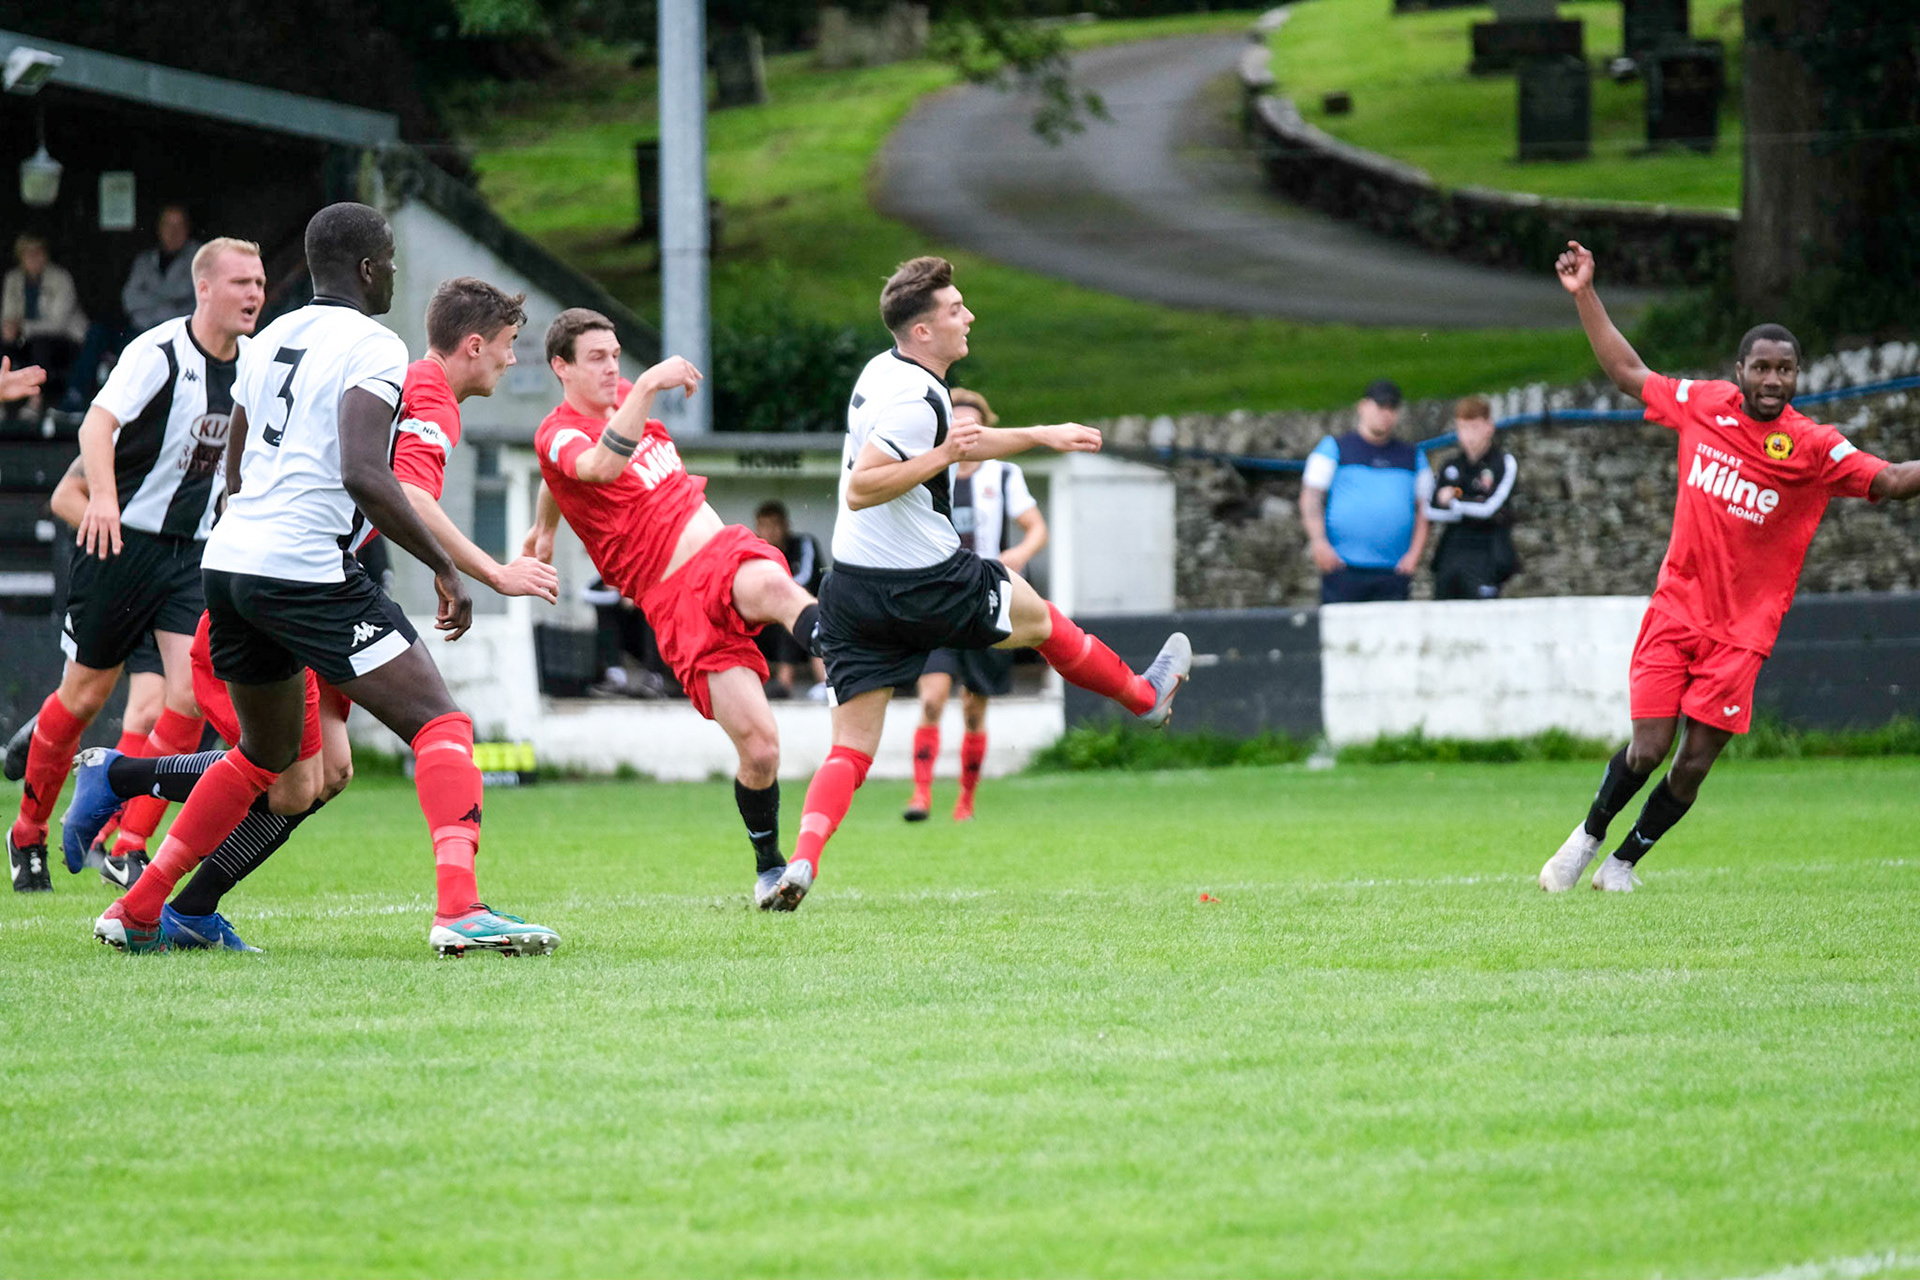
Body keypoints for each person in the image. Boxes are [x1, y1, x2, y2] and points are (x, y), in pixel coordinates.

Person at [90, 203, 559, 956]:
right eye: (393, 263)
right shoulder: (373, 343)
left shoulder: (271, 334)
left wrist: (259, 525)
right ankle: (460, 908)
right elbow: (364, 470)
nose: (396, 276)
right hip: (304, 568)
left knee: (266, 759)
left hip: (231, 562)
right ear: (371, 269)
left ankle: (142, 908)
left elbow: (238, 461)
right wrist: (445, 568)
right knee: (441, 724)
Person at [763, 256, 1191, 912]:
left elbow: (960, 439)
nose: (970, 317)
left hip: (852, 590)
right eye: (956, 308)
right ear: (924, 330)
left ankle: (802, 862)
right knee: (1044, 622)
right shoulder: (916, 398)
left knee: (850, 747)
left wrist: (1042, 434)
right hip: (925, 581)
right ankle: (1143, 696)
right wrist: (942, 458)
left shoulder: (887, 372)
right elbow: (865, 484)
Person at [1539, 240, 1920, 893]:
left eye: (1787, 370)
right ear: (1740, 370)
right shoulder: (1703, 404)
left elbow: (1888, 478)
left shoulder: (1813, 447)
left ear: (1798, 377)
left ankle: (1623, 864)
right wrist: (1585, 295)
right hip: (1675, 611)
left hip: (1743, 635)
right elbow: (1629, 372)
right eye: (1763, 368)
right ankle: (1586, 839)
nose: (1774, 380)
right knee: (1649, 749)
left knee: (1691, 764)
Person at [524, 309, 822, 905]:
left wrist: (545, 526)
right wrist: (545, 522)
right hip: (672, 601)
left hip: (719, 551)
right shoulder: (556, 431)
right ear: (561, 367)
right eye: (596, 359)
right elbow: (586, 465)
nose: (613, 369)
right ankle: (768, 867)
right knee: (761, 751)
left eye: (615, 356)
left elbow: (563, 477)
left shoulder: (627, 397)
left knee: (779, 589)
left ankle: (852, 654)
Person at [6, 236, 263, 895]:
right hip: (125, 547)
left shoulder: (258, 366)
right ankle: (27, 834)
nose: (254, 294)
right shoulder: (160, 350)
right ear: (204, 288)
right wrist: (106, 504)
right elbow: (96, 425)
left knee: (187, 696)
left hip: (193, 555)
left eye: (259, 282)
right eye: (240, 282)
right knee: (86, 696)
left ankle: (130, 843)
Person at [905, 385, 1046, 823]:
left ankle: (965, 800)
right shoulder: (931, 469)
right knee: (931, 698)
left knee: (972, 708)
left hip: (984, 600)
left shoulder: (1003, 475)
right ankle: (921, 797)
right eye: (957, 420)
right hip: (937, 600)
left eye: (972, 421)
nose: (965, 427)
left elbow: (1035, 527)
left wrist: (1020, 555)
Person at [1300, 378, 1431, 603]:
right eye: (1380, 407)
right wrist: (1319, 542)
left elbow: (1425, 509)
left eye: (1392, 408)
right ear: (1363, 407)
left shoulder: (1413, 456)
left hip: (1394, 572)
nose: (1386, 414)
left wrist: (1413, 556)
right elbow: (1310, 497)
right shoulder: (1335, 448)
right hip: (1342, 569)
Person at [1424, 395, 1518, 600]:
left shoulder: (1502, 463)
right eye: (1463, 428)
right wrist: (1465, 501)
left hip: (1487, 552)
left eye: (1474, 427)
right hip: (1452, 552)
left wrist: (1455, 500)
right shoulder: (1451, 465)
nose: (1468, 436)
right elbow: (1431, 509)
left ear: (1489, 427)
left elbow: (1489, 508)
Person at [1, 234, 87, 415]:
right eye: (27, 253)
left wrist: (23, 327)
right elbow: (8, 315)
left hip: (64, 340)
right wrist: (10, 328)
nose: (33, 257)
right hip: (24, 340)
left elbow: (58, 324)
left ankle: (35, 402)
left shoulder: (60, 278)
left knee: (41, 344)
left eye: (37, 252)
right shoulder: (13, 279)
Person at [753, 499, 828, 700]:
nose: (770, 531)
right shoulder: (753, 549)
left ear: (786, 525)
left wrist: (769, 590)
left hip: (806, 617)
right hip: (767, 625)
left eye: (774, 524)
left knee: (795, 611)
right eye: (764, 525)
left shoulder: (803, 543)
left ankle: (793, 684)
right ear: (757, 528)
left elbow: (803, 579)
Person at [123, 205, 203, 333]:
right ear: (159, 229)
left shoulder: (202, 258)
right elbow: (130, 298)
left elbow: (200, 305)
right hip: (144, 329)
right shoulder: (145, 261)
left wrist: (155, 307)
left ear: (187, 229)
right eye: (168, 225)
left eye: (179, 226)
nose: (173, 232)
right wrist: (167, 307)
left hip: (185, 334)